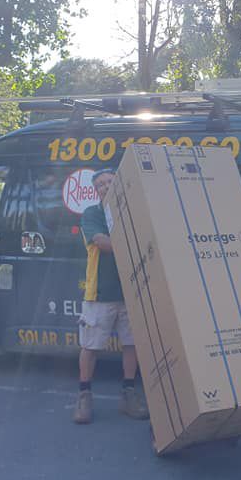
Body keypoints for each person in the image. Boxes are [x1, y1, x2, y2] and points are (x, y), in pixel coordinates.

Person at [73, 168, 150, 424]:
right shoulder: (92, 214)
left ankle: (128, 394)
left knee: (132, 343)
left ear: (118, 185)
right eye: (101, 185)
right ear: (96, 191)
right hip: (100, 294)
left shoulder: (131, 211)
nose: (105, 186)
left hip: (131, 291)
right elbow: (102, 243)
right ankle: (84, 396)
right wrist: (134, 242)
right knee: (90, 346)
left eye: (110, 182)